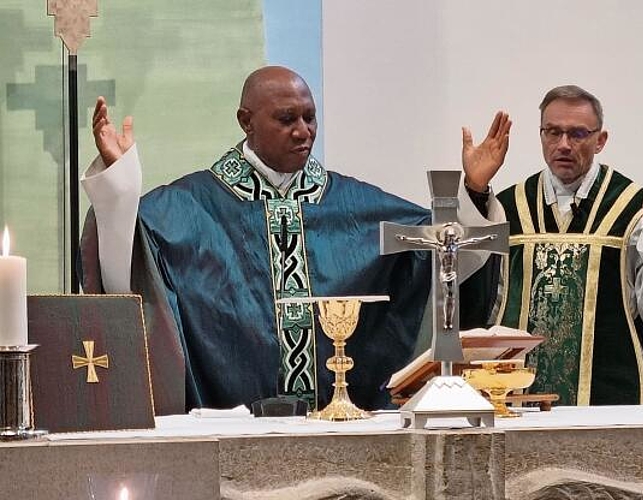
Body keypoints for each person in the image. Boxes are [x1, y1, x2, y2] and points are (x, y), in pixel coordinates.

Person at [81, 66, 491, 413]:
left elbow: (446, 250)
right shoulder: (190, 209)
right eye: (286, 119)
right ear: (246, 121)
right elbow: (129, 267)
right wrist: (119, 183)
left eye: (310, 117)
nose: (303, 131)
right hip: (231, 434)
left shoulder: (355, 206)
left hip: (341, 433)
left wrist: (472, 189)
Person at [459, 85, 643, 406]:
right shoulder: (505, 207)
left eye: (577, 134)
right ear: (541, 135)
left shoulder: (633, 209)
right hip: (514, 397)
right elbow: (466, 285)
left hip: (610, 396)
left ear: (600, 140)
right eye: (553, 132)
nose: (563, 144)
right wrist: (476, 190)